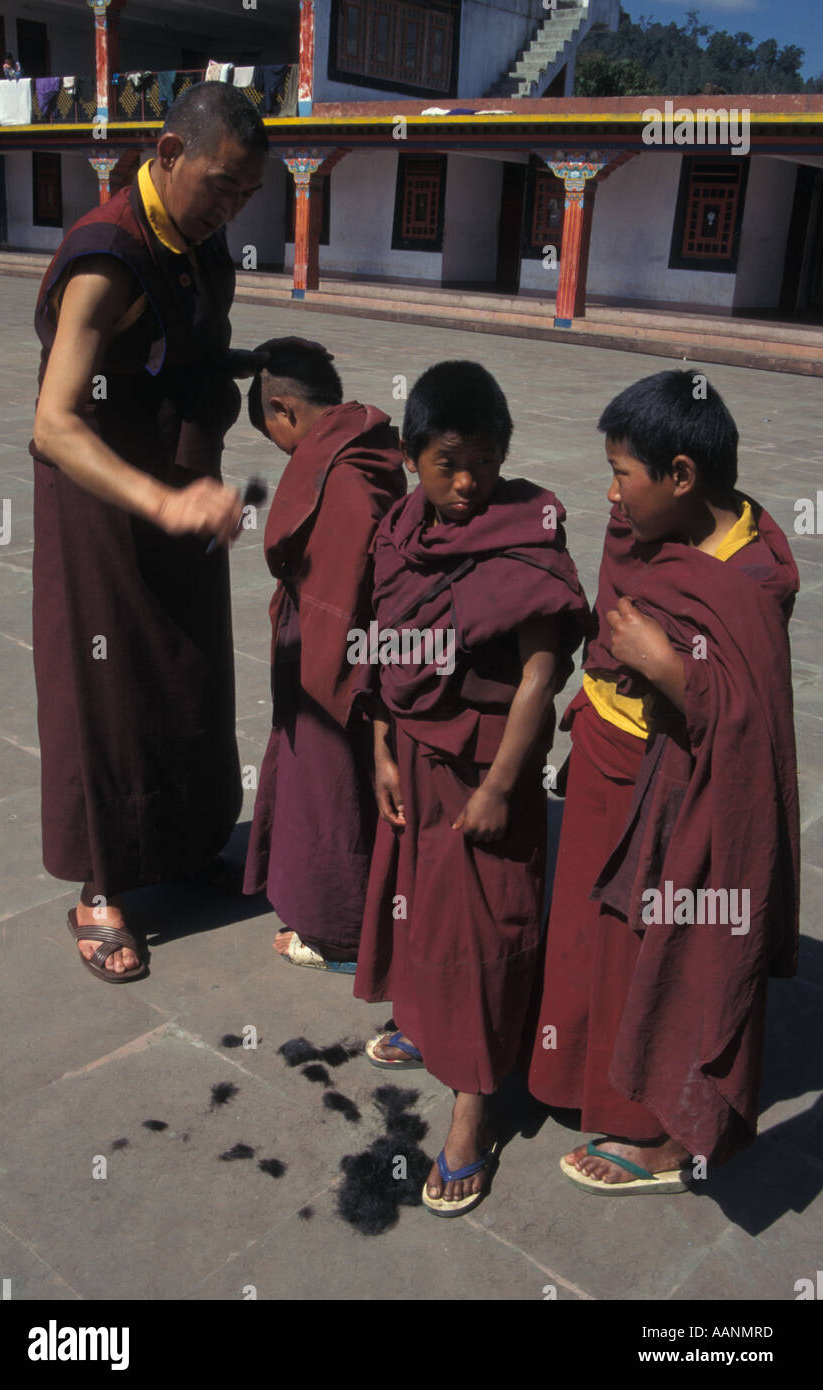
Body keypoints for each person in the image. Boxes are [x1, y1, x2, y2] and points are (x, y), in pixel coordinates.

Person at [525, 369, 800, 1192]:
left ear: (681, 476)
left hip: (677, 784)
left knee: (666, 949)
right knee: (592, 937)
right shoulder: (640, 525)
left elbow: (750, 724)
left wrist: (666, 669)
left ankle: (663, 1132)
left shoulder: (750, 575)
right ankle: (585, 1080)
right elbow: (610, 626)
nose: (611, 495)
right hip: (607, 755)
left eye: (624, 474)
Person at [31, 83, 271, 982]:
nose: (229, 208)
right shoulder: (108, 255)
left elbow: (183, 354)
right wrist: (161, 501)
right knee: (112, 691)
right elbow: (56, 423)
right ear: (167, 152)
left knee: (190, 676)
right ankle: (100, 887)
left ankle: (177, 848)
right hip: (104, 507)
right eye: (219, 185)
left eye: (247, 195)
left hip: (183, 486)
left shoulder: (201, 246)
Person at [353, 360, 589, 1215]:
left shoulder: (526, 531)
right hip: (412, 752)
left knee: (487, 929)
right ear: (414, 454)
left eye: (483, 464)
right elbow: (384, 636)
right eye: (447, 461)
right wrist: (381, 745)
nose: (465, 484)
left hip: (487, 764)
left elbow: (538, 675)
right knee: (420, 904)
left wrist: (498, 785)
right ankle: (427, 1022)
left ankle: (473, 1105)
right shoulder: (403, 526)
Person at [242, 341, 406, 970]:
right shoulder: (363, 443)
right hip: (336, 643)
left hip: (335, 661)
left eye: (276, 435)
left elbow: (343, 592)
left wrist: (327, 682)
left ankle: (337, 933)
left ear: (282, 408)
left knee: (332, 786)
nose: (284, 452)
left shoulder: (343, 476)